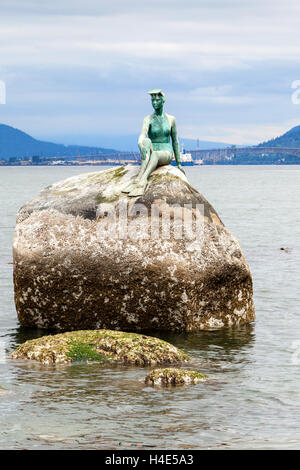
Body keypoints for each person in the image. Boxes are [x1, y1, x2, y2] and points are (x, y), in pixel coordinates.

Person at [123, 89, 184, 197]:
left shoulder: (171, 119)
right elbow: (143, 133)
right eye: (152, 101)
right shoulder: (148, 119)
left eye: (157, 100)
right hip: (152, 150)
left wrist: (179, 163)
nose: (154, 103)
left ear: (163, 101)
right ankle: (138, 179)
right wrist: (140, 143)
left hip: (166, 152)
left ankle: (143, 180)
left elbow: (175, 141)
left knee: (155, 154)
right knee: (146, 141)